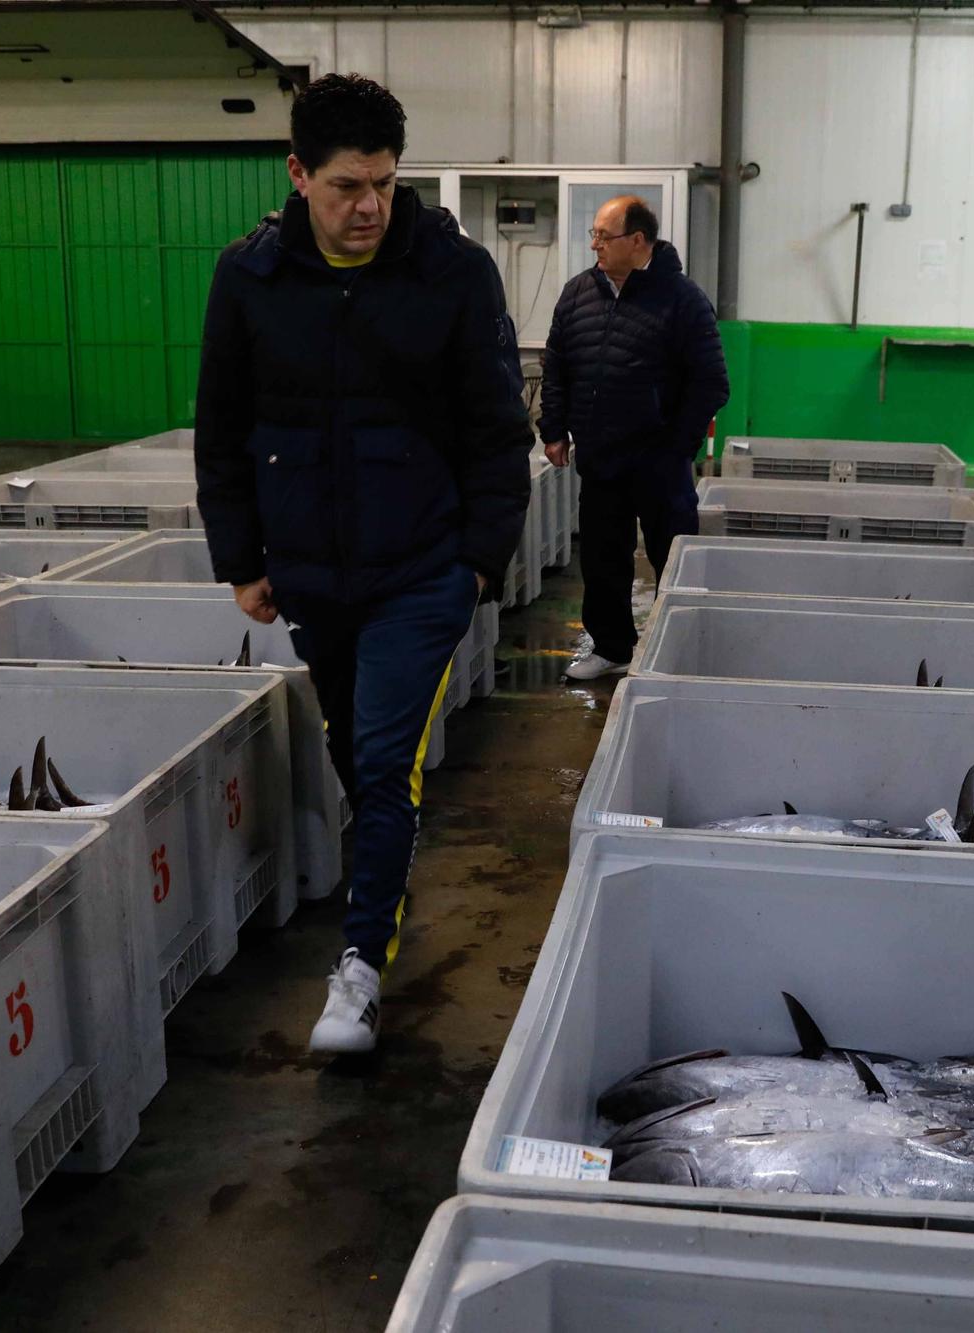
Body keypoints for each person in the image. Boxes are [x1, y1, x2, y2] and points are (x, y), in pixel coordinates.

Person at [194, 74, 533, 1054]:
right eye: (346, 185)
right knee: (351, 751)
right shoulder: (248, 280)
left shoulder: (452, 275)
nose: (368, 206)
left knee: (385, 766)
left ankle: (357, 970)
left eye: (384, 183)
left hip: (422, 570)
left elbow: (494, 429)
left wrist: (477, 563)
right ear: (297, 174)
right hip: (309, 572)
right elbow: (222, 432)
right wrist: (241, 559)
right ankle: (379, 885)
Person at [539, 196, 728, 681]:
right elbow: (557, 364)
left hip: (659, 461)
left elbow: (711, 382)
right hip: (601, 456)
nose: (596, 244)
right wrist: (554, 428)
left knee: (673, 558)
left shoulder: (682, 299)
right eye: (594, 236)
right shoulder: (578, 292)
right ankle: (612, 647)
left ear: (638, 241)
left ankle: (681, 654)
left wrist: (676, 446)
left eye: (605, 236)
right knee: (603, 559)